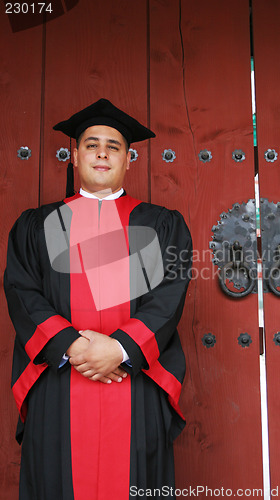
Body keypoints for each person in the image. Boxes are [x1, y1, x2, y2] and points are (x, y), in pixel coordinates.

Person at [4, 98, 192, 500]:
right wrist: (72, 345)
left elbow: (170, 294)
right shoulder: (38, 225)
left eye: (113, 145)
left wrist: (121, 348)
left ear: (129, 159)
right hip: (59, 383)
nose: (102, 152)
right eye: (91, 144)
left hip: (134, 381)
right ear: (74, 156)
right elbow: (22, 290)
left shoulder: (160, 224)